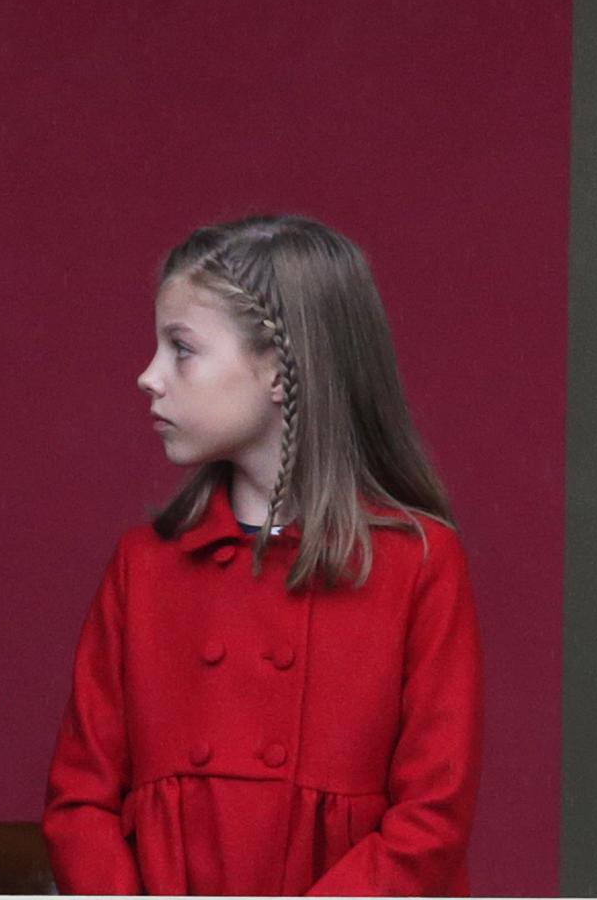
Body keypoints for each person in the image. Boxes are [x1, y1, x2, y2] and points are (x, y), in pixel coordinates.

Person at [42, 216, 483, 895]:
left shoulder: (418, 564)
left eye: (181, 348)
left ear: (279, 370)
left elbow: (432, 820)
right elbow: (80, 804)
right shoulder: (144, 567)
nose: (149, 376)